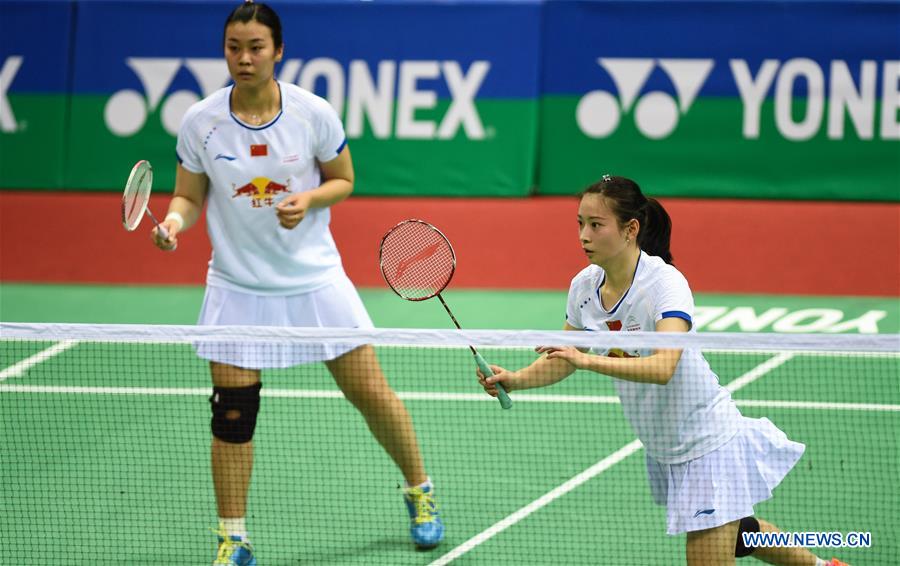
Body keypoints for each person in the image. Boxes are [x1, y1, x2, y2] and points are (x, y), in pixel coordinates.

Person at [151, 2, 444, 563]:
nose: (243, 57)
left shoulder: (312, 113)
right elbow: (188, 196)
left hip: (314, 281)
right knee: (232, 416)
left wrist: (309, 199)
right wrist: (172, 224)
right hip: (238, 286)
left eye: (255, 46)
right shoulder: (201, 121)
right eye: (234, 46)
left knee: (372, 395)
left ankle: (420, 492)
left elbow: (345, 179)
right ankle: (233, 539)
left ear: (277, 51)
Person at [478, 175, 847, 566]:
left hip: (707, 443)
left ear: (630, 229)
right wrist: (516, 380)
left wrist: (586, 359)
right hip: (665, 446)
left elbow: (664, 366)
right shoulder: (583, 288)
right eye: (579, 223)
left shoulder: (664, 284)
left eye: (596, 224)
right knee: (744, 534)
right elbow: (563, 356)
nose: (584, 235)